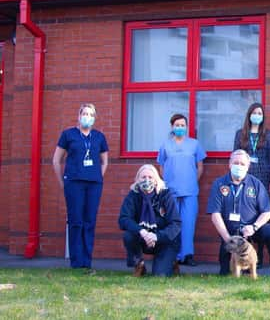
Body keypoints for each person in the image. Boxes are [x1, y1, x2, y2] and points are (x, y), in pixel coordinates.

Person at [206, 149, 270, 277]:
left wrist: (254, 227)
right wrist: (228, 238)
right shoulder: (219, 184)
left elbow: (267, 212)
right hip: (231, 232)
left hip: (252, 228)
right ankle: (236, 269)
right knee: (225, 274)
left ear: (248, 167)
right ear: (229, 164)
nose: (239, 166)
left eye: (242, 164)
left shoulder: (256, 184)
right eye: (236, 163)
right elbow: (215, 215)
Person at [52, 103, 109, 270]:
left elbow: (105, 161)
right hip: (74, 182)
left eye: (91, 115)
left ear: (94, 118)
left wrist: (98, 176)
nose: (88, 117)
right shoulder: (68, 134)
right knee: (76, 221)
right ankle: (76, 262)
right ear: (79, 115)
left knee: (89, 221)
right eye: (85, 113)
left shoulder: (99, 136)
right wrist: (62, 182)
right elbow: (56, 160)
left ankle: (87, 261)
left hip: (93, 184)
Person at [157, 113, 206, 267]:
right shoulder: (165, 145)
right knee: (172, 224)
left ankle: (187, 255)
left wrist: (191, 182)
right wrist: (168, 182)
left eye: (182, 125)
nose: (180, 127)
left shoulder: (194, 144)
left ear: (186, 127)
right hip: (171, 191)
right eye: (177, 125)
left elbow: (200, 167)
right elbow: (161, 166)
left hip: (190, 191)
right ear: (172, 127)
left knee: (188, 224)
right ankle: (174, 256)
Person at [233, 102, 270, 268]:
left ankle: (259, 257)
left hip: (264, 179)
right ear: (249, 114)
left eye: (260, 113)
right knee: (246, 215)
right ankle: (246, 256)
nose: (257, 115)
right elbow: (234, 155)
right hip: (244, 178)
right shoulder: (240, 134)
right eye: (254, 112)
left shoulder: (268, 135)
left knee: (262, 218)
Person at [118, 164, 181, 277]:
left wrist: (156, 236)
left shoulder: (165, 195)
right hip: (144, 237)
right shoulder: (133, 195)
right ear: (137, 180)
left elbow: (175, 224)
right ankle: (139, 265)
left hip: (164, 239)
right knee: (128, 235)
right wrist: (142, 231)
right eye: (143, 177)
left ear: (156, 180)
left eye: (150, 177)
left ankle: (172, 262)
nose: (147, 180)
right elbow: (123, 219)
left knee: (160, 275)